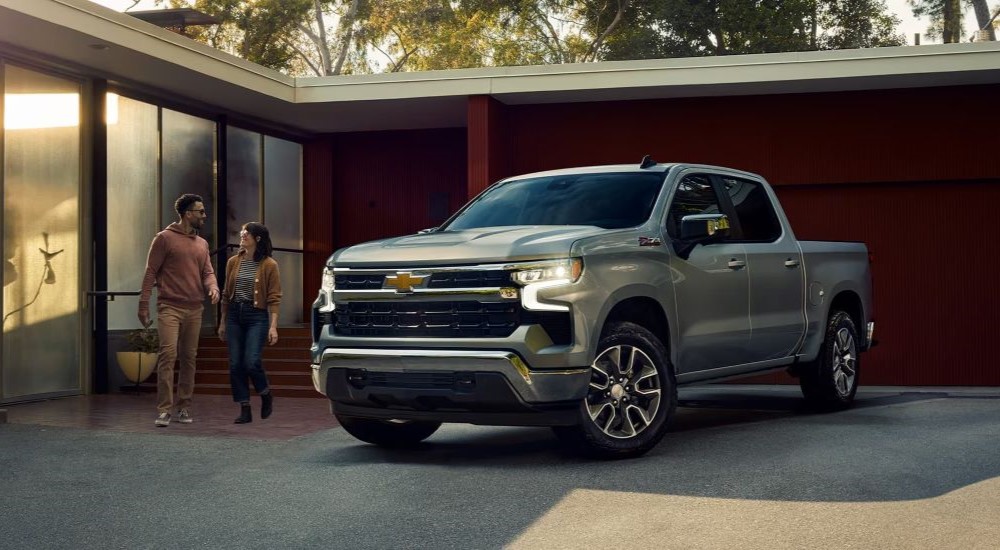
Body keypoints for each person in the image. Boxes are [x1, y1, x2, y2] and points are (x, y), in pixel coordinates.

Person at [139, 193, 220, 427]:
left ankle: (183, 407)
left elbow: (207, 272)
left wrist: (213, 287)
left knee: (189, 358)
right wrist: (143, 304)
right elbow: (150, 271)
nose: (204, 215)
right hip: (169, 307)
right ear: (187, 213)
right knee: (168, 355)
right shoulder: (164, 239)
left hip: (195, 308)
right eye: (200, 211)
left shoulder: (202, 244)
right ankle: (164, 409)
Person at [218, 222, 282, 424]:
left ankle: (265, 393)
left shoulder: (270, 264)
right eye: (242, 231)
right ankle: (244, 407)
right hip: (235, 315)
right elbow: (226, 295)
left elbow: (274, 297)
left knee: (251, 361)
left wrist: (273, 326)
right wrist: (222, 322)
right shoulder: (233, 262)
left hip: (257, 317)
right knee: (236, 363)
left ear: (258, 239)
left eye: (248, 232)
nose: (243, 234)